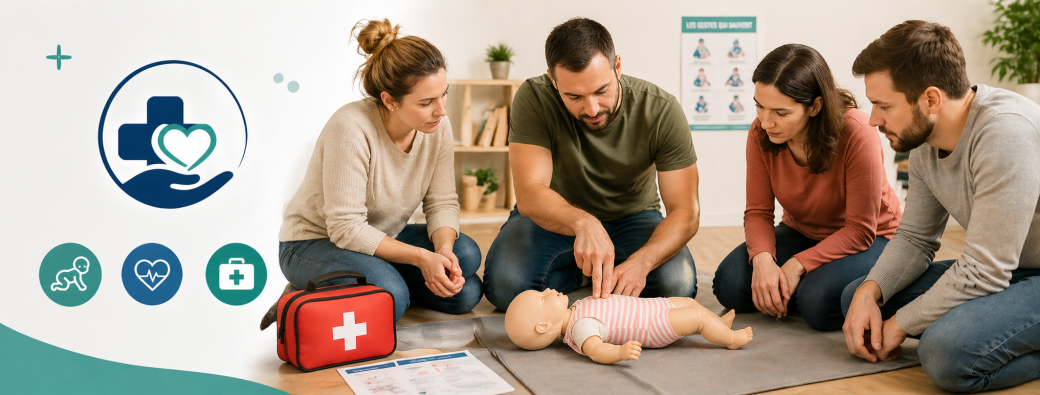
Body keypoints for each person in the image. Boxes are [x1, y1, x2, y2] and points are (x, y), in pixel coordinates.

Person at [840, 20, 1040, 392]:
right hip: (1008, 269)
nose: (873, 119)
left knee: (944, 353)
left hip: (1011, 271)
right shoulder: (923, 141)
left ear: (931, 100)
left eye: (884, 106)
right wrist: (869, 291)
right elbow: (915, 238)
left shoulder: (1005, 131)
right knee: (860, 299)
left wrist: (901, 324)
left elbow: (985, 270)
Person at [266, 19, 483, 326]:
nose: (441, 110)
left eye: (443, 94)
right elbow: (346, 228)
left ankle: (374, 284)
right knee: (392, 297)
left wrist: (443, 251)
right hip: (313, 243)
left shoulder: (437, 127)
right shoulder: (350, 128)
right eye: (426, 102)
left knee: (466, 273)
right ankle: (306, 291)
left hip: (381, 235)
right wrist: (422, 258)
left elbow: (442, 201)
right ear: (389, 100)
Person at [482, 17, 700, 311]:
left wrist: (642, 262)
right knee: (507, 285)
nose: (592, 109)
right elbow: (530, 192)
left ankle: (600, 273)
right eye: (574, 96)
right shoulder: (534, 97)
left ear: (617, 66)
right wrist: (584, 222)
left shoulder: (661, 109)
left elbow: (685, 211)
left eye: (601, 90)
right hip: (555, 218)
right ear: (553, 80)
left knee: (676, 285)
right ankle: (589, 275)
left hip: (633, 217)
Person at [712, 44, 902, 331]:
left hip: (874, 238)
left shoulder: (858, 132)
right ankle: (798, 291)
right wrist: (763, 262)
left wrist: (796, 265)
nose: (765, 121)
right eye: (759, 106)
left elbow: (860, 230)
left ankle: (827, 290)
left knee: (816, 302)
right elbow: (758, 212)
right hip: (802, 232)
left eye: (780, 112)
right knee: (730, 284)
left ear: (814, 106)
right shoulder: (761, 131)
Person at [504, 289, 753, 364]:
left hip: (653, 306)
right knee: (697, 317)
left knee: (689, 302)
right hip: (653, 326)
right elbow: (596, 350)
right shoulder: (579, 328)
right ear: (543, 326)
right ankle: (730, 339)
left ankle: (718, 324)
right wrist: (620, 352)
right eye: (542, 298)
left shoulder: (576, 309)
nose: (548, 290)